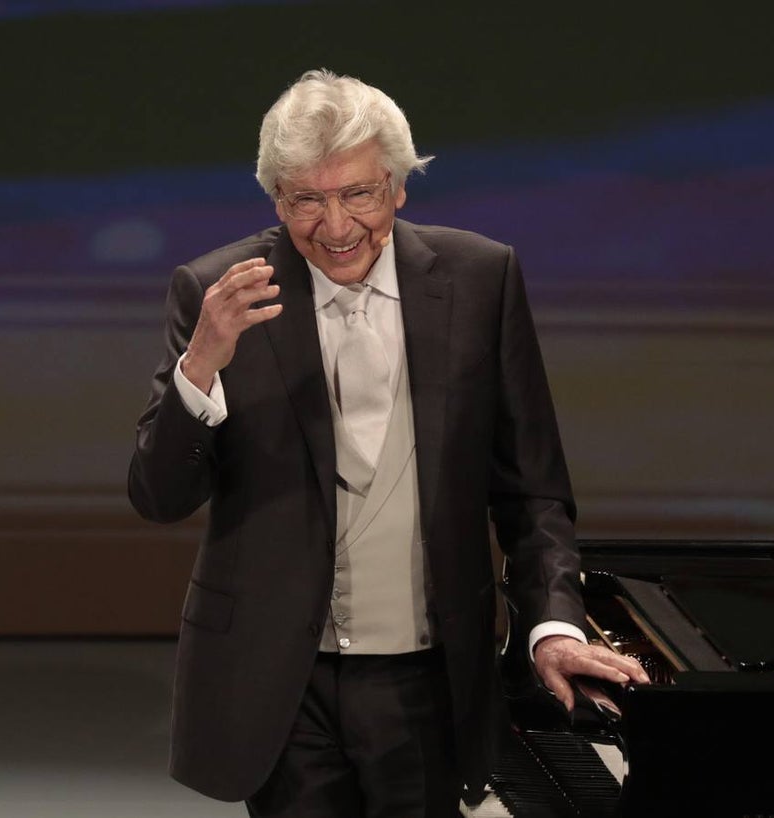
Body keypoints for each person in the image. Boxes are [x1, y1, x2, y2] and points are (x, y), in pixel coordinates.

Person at [128, 69, 649, 818]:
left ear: (399, 187)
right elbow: (159, 496)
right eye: (307, 199)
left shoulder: (480, 279)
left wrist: (550, 623)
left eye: (358, 195)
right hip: (282, 682)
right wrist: (202, 362)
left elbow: (532, 489)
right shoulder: (217, 292)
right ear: (277, 199)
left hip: (431, 679)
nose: (335, 227)